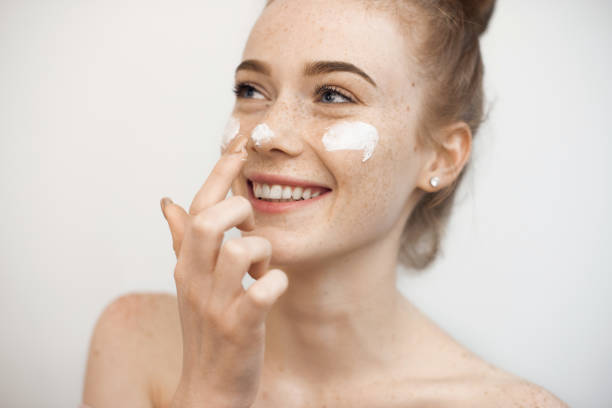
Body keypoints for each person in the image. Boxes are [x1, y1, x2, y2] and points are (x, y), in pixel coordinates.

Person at [82, 0, 569, 406]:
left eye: (333, 95)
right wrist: (210, 391)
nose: (269, 133)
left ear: (442, 157)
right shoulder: (136, 342)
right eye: (251, 90)